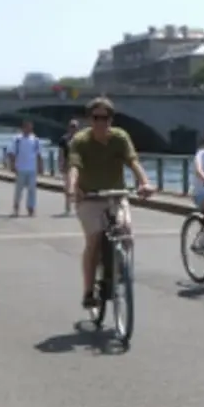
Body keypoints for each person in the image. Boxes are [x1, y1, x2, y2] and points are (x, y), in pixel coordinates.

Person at [64, 97, 156, 309]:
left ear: (111, 119)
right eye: (96, 118)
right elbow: (74, 167)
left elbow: (133, 161)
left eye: (105, 118)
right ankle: (88, 290)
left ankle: (119, 269)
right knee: (94, 240)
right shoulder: (80, 140)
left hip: (116, 195)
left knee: (126, 231)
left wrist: (145, 183)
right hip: (89, 197)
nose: (100, 122)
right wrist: (72, 188)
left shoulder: (120, 137)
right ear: (89, 120)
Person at [7, 119, 44, 217]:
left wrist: (40, 166)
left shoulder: (35, 140)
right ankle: (16, 207)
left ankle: (31, 207)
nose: (28, 129)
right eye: (26, 127)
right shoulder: (17, 139)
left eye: (30, 127)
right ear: (23, 128)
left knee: (32, 190)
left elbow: (39, 154)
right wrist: (12, 165)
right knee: (19, 190)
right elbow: (11, 152)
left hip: (32, 168)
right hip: (20, 168)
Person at [57, 119, 79, 215]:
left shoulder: (80, 139)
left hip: (77, 165)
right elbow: (61, 152)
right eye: (72, 126)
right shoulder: (64, 139)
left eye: (75, 127)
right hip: (67, 165)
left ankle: (77, 207)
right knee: (67, 187)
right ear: (69, 128)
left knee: (77, 187)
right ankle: (68, 207)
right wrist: (60, 164)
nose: (73, 129)